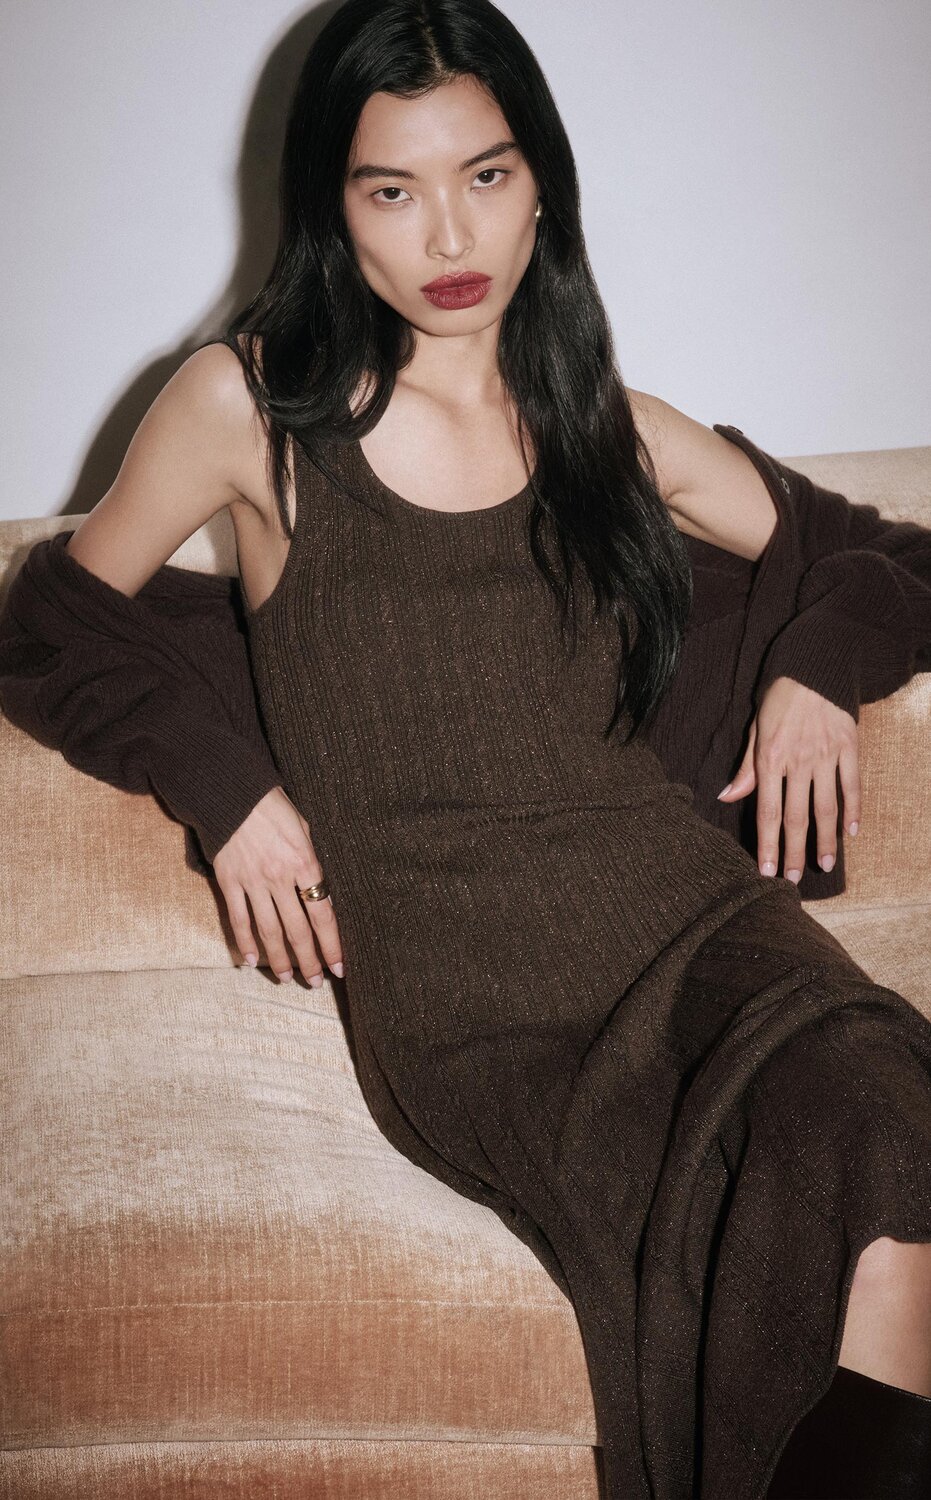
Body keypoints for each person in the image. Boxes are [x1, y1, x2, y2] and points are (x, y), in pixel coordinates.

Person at [4, 2, 931, 1495]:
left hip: (693, 923)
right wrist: (225, 785)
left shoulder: (601, 430)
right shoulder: (247, 411)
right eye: (393, 189)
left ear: (542, 184)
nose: (452, 230)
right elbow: (48, 623)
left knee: (891, 1119)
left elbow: (885, 560)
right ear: (333, 209)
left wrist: (816, 672)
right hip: (476, 998)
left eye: (486, 175)